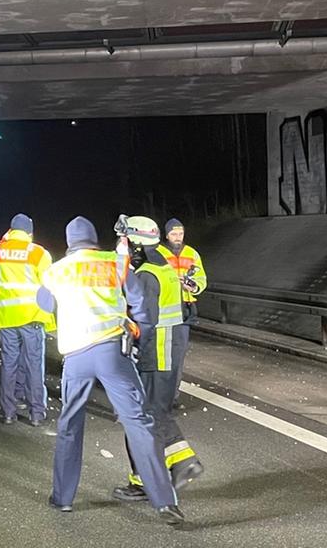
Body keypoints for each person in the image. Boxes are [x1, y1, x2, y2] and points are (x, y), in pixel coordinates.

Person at [36, 216, 183, 524]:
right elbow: (140, 301)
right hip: (113, 352)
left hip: (76, 356)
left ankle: (62, 498)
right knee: (139, 423)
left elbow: (45, 305)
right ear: (94, 239)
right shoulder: (114, 262)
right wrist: (140, 331)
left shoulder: (57, 271)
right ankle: (165, 501)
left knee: (70, 424)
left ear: (69, 243)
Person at [111, 216, 204, 503]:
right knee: (148, 413)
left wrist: (132, 341)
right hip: (167, 348)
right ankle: (145, 477)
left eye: (126, 240)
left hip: (156, 351)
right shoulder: (161, 267)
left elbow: (146, 320)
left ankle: (183, 461)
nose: (123, 245)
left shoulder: (148, 275)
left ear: (137, 242)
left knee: (145, 413)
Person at [0, 213, 55, 425]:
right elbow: (50, 285)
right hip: (32, 317)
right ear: (30, 233)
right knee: (34, 364)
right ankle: (36, 414)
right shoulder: (38, 253)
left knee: (9, 363)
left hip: (7, 317)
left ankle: (8, 411)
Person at [158, 218, 207, 413]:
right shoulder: (158, 253)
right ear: (167, 234)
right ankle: (158, 394)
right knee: (162, 356)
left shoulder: (192, 253)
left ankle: (173, 396)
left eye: (181, 233)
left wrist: (193, 286)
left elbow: (201, 277)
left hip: (185, 310)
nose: (178, 237)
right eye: (174, 234)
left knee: (178, 356)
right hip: (162, 311)